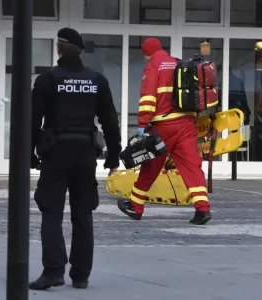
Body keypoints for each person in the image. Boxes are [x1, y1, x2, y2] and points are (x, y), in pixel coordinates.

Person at [29, 28, 122, 290]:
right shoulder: (96, 80)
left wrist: (29, 156)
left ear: (59, 49)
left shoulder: (47, 80)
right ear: (81, 51)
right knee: (82, 214)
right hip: (84, 153)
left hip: (56, 153)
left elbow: (32, 121)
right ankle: (81, 275)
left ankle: (53, 271)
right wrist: (113, 154)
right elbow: (110, 120)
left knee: (51, 210)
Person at [117, 38, 212, 225]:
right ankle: (202, 208)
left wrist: (143, 124)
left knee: (151, 164)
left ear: (146, 53)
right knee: (191, 166)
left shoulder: (153, 66)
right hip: (186, 124)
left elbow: (148, 98)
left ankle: (135, 206)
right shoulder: (178, 62)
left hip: (164, 126)